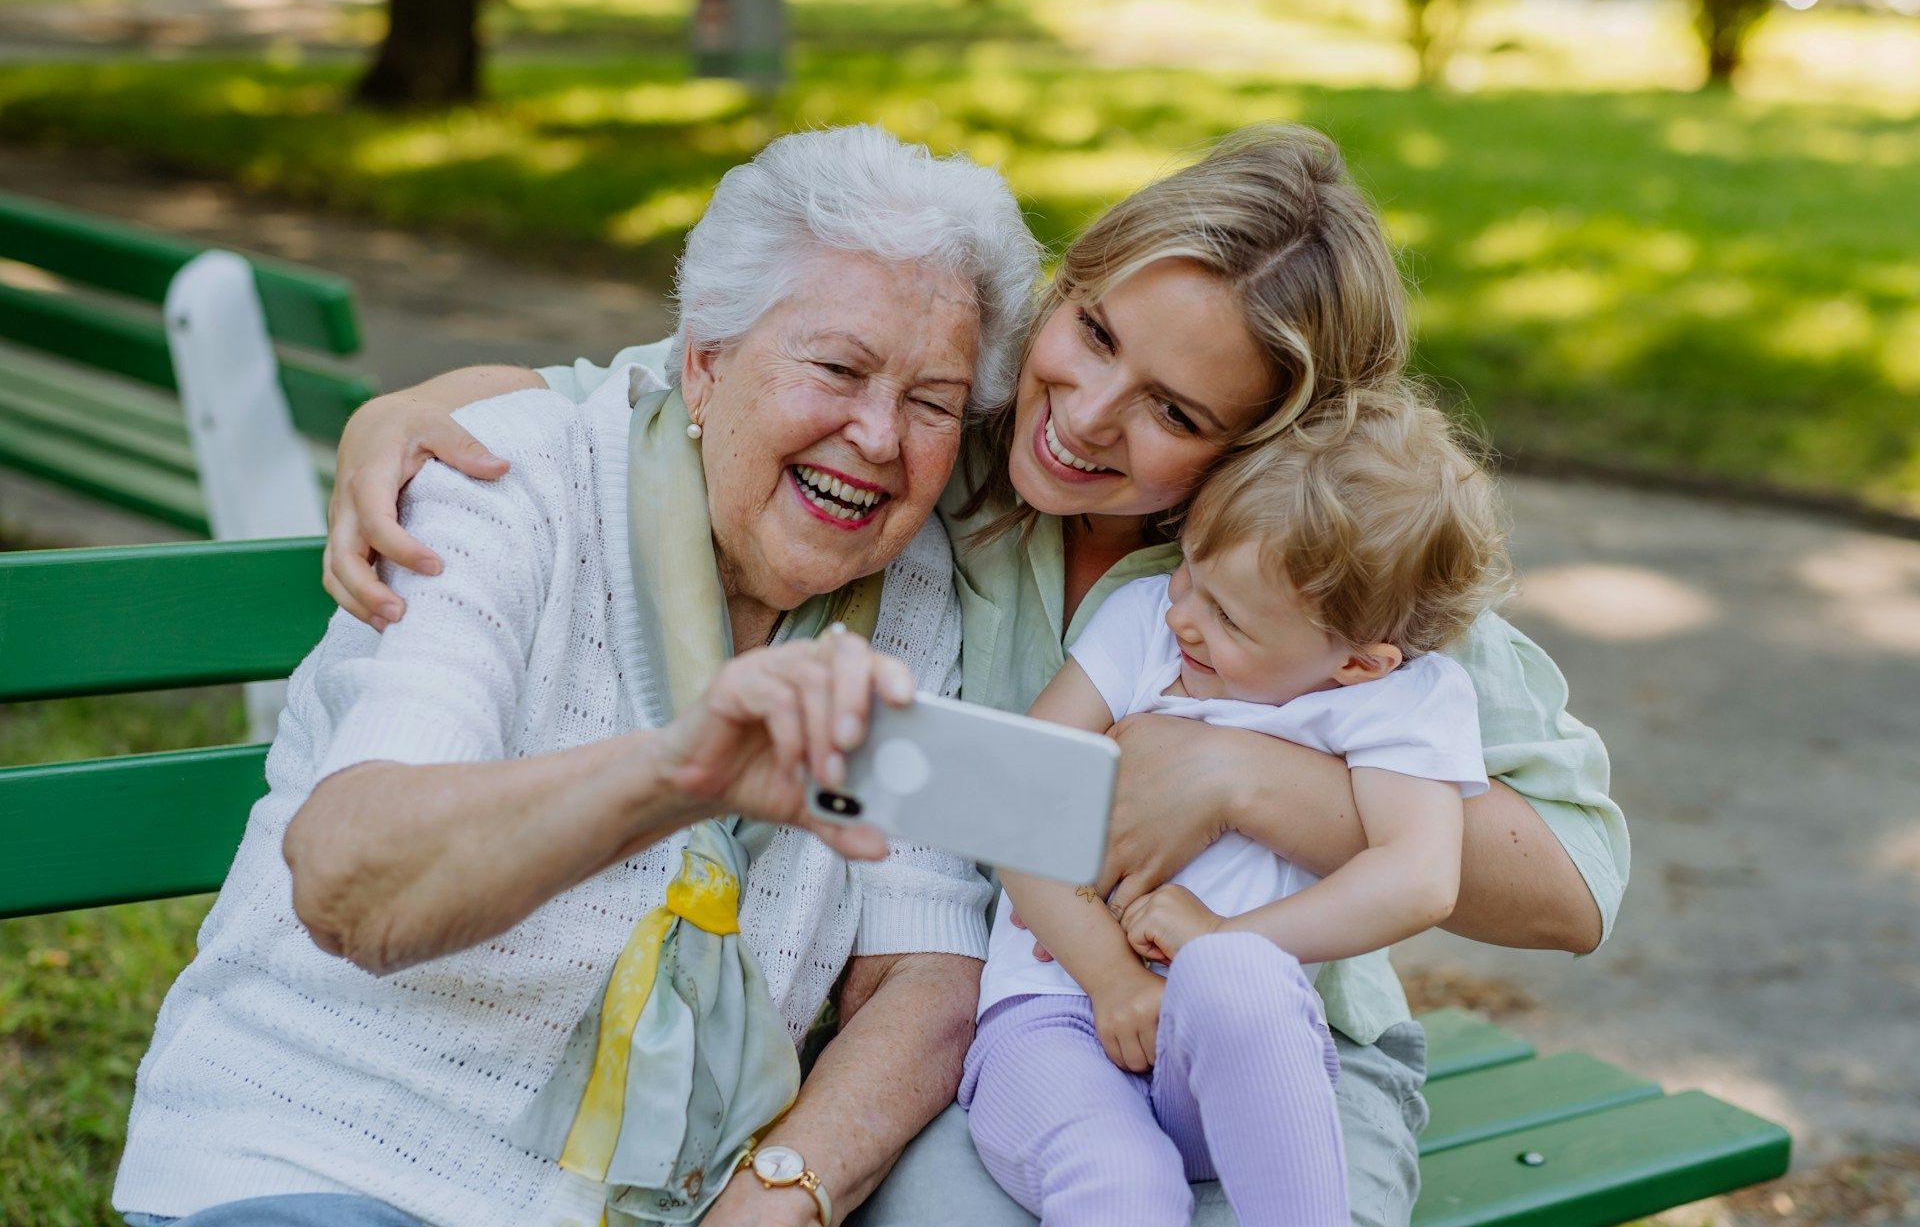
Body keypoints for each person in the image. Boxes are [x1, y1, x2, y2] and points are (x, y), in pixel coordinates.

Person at [320, 124, 1629, 1227]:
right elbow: (656, 392)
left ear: (1258, 449)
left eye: (1175, 413)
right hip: (1024, 1024)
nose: (1089, 412)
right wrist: (399, 414)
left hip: (1278, 1043)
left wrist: (1248, 777)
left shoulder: (1315, 561)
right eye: (1094, 331)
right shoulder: (945, 441)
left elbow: (1568, 887)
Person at [112, 125, 1042, 1227]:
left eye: (932, 402)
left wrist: (778, 1194)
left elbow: (920, 973)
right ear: (704, 361)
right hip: (332, 1155)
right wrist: (681, 770)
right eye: (837, 369)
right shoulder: (508, 485)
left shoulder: (915, 590)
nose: (879, 437)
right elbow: (353, 877)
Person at [968, 386, 1509, 1227]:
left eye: (1226, 617)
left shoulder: (1405, 702)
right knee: (1123, 1182)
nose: (1183, 612)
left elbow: (1419, 878)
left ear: (1359, 665)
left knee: (1241, 974)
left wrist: (1221, 944)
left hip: (1222, 1058)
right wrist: (1113, 980)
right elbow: (1013, 798)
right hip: (1056, 1016)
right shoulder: (1145, 624)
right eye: (1188, 567)